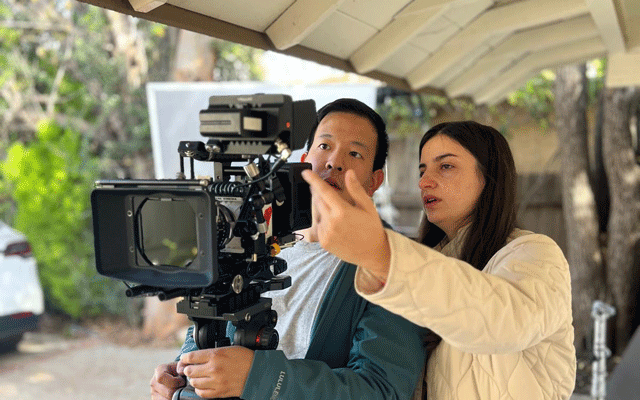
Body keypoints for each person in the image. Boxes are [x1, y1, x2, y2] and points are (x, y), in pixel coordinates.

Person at [150, 98, 428, 400]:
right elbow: (211, 319)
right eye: (325, 146)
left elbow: (380, 389)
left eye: (355, 153)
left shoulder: (392, 263)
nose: (335, 161)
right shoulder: (256, 234)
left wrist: (258, 377)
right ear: (305, 158)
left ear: (375, 181)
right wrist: (183, 368)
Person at [303, 121, 577, 399]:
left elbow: (505, 322)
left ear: (489, 176)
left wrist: (383, 255)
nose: (424, 182)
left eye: (445, 166)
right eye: (422, 170)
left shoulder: (535, 254)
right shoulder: (429, 259)